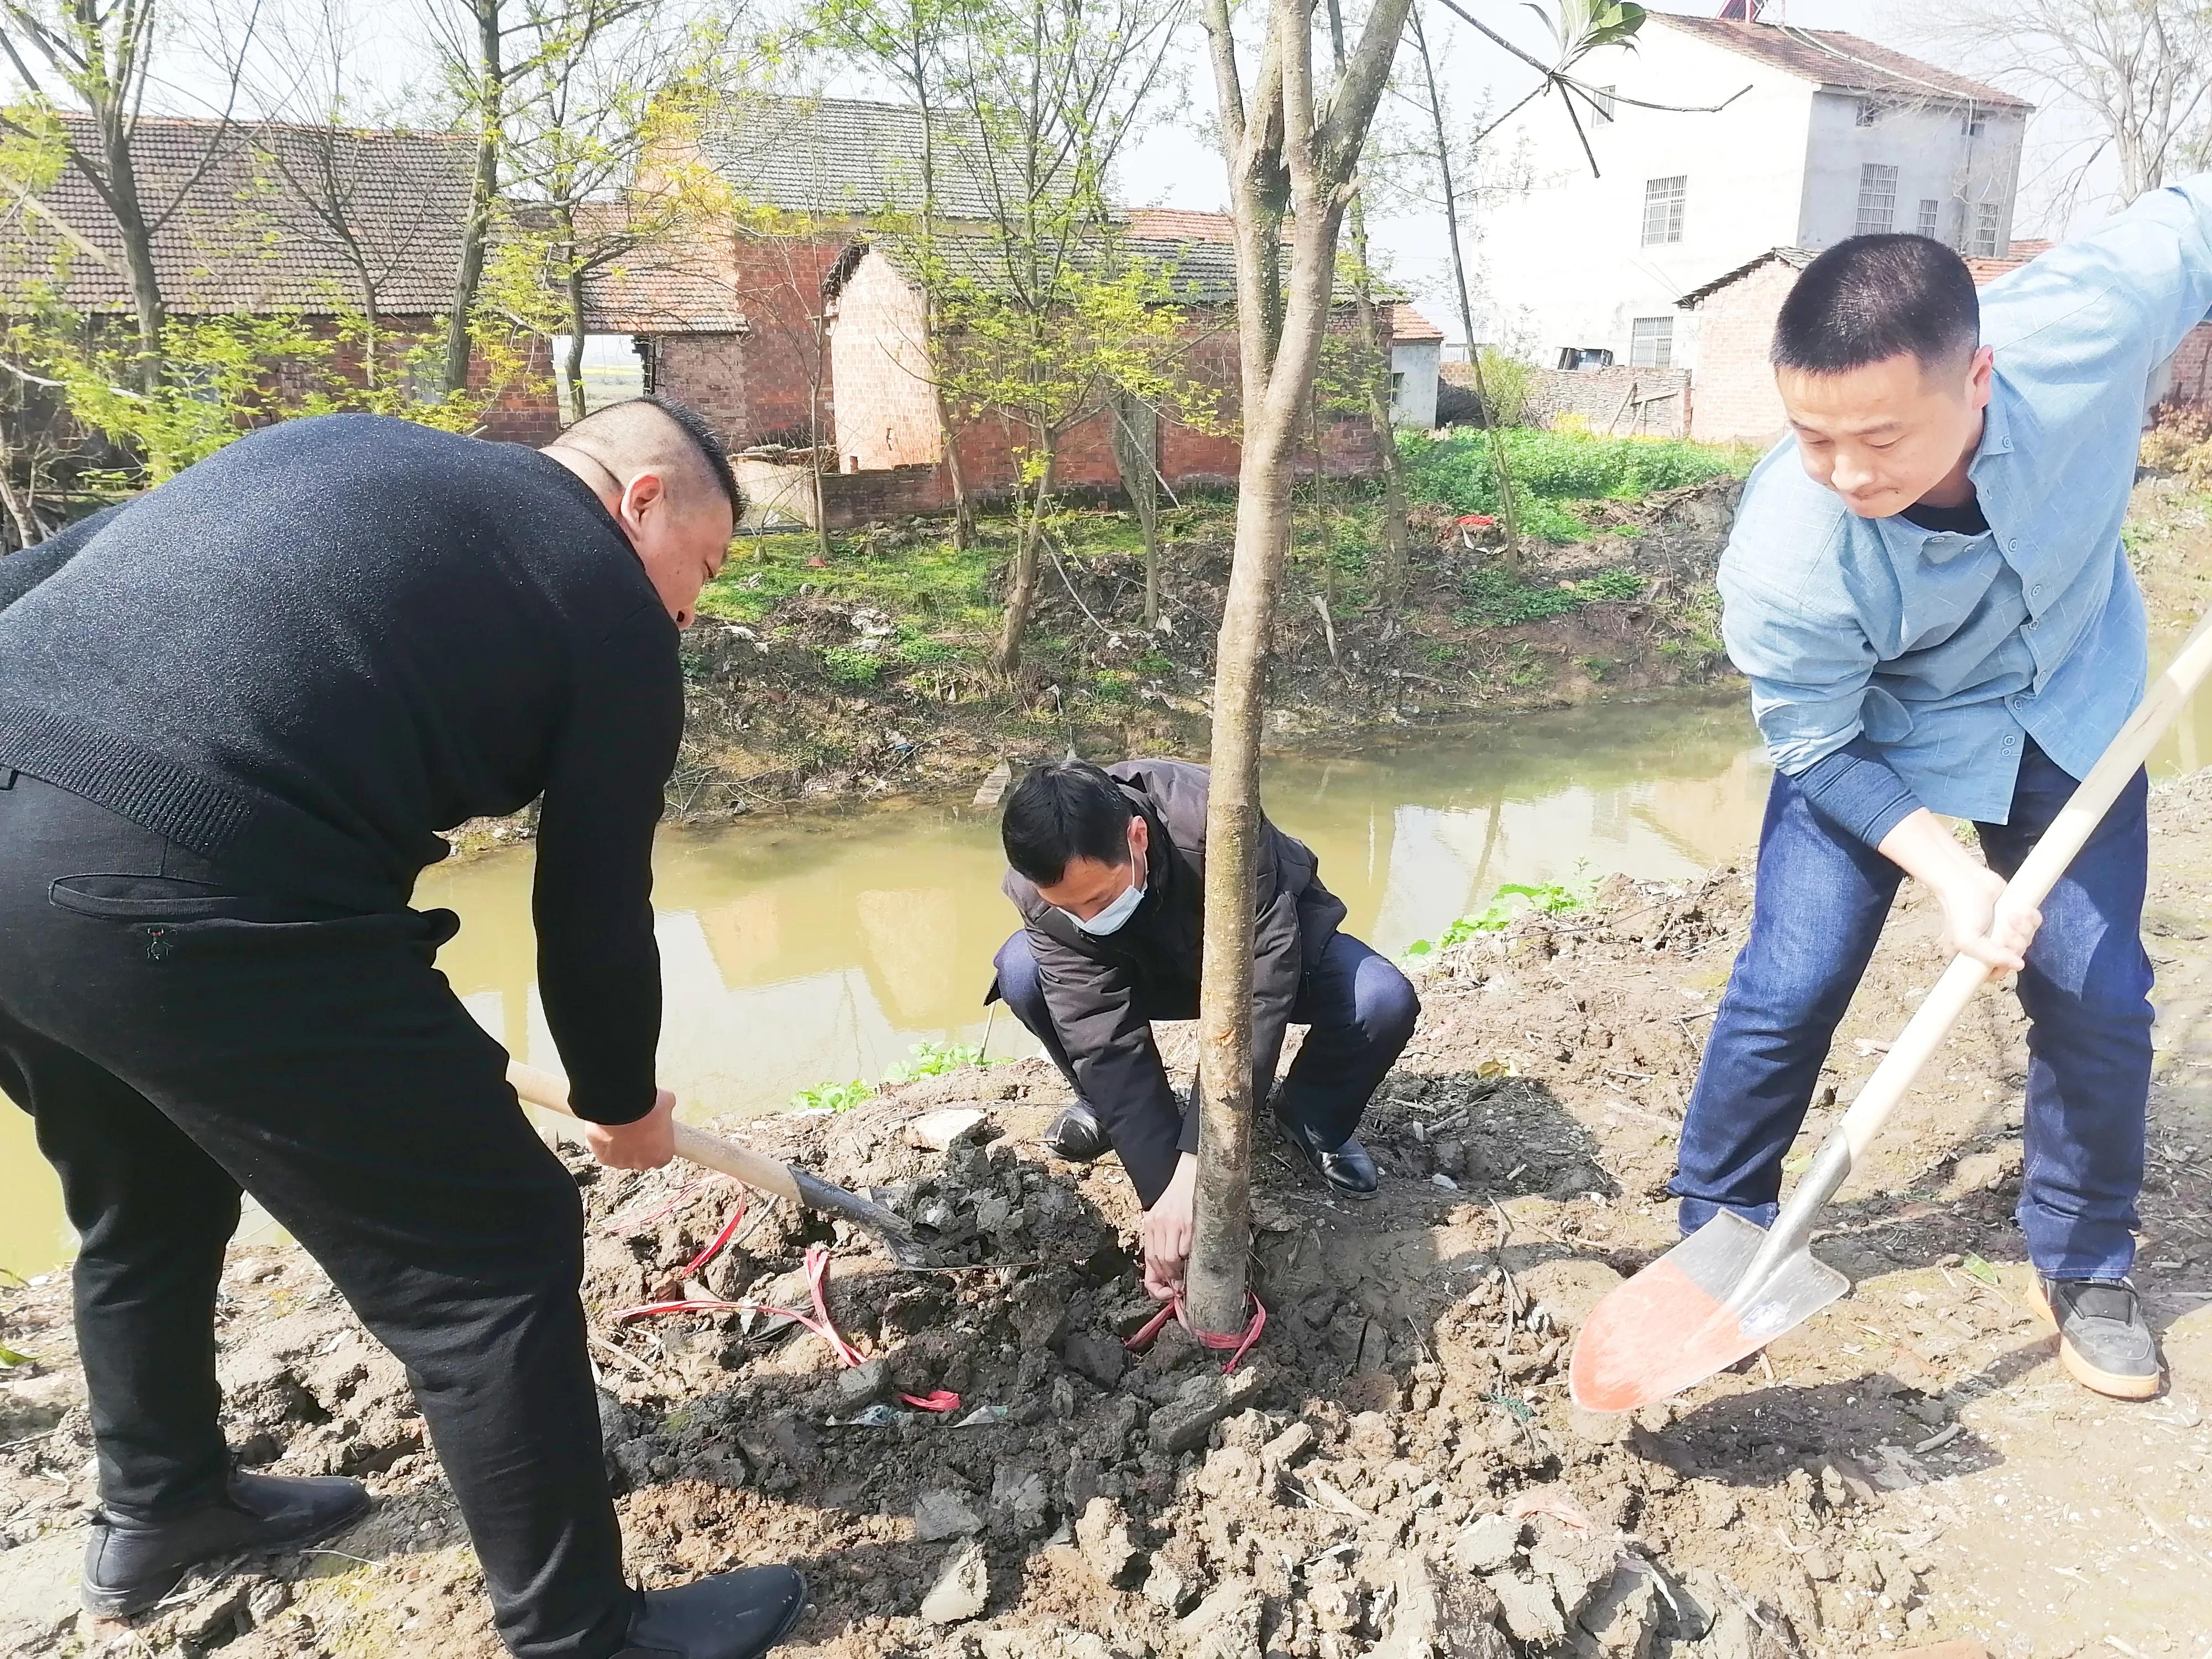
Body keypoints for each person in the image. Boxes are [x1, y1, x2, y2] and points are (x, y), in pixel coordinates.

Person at [0, 402, 807, 1658]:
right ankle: (581, 1633)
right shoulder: (605, 594)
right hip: (179, 875)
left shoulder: (327, 445)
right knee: (491, 1247)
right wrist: (620, 1098)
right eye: (700, 569)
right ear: (642, 496)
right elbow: (593, 901)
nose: (690, 610)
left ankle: (162, 1504)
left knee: (146, 1195)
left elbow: (35, 578)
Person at [1674, 184, 2212, 1402]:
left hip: (2066, 696)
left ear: (1976, 378)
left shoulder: (2086, 326)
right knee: (1788, 980)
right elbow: (1812, 740)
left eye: (1878, 439)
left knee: (2097, 992)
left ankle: (2082, 1259)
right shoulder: (1785, 552)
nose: (1844, 471)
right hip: (1877, 737)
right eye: (1813, 436)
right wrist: (1952, 873)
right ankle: (1718, 1228)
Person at [989, 758, 1420, 1302]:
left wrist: (1198, 1159)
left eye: (1098, 899)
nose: (1085, 916)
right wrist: (1165, 1197)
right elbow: (1101, 1036)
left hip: (1260, 952)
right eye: (1067, 908)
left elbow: (1259, 990)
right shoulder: (1034, 890)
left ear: (1137, 836)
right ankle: (1105, 1107)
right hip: (1140, 970)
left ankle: (1311, 1118)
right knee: (1023, 973)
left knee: (1379, 1000)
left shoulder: (1217, 819)